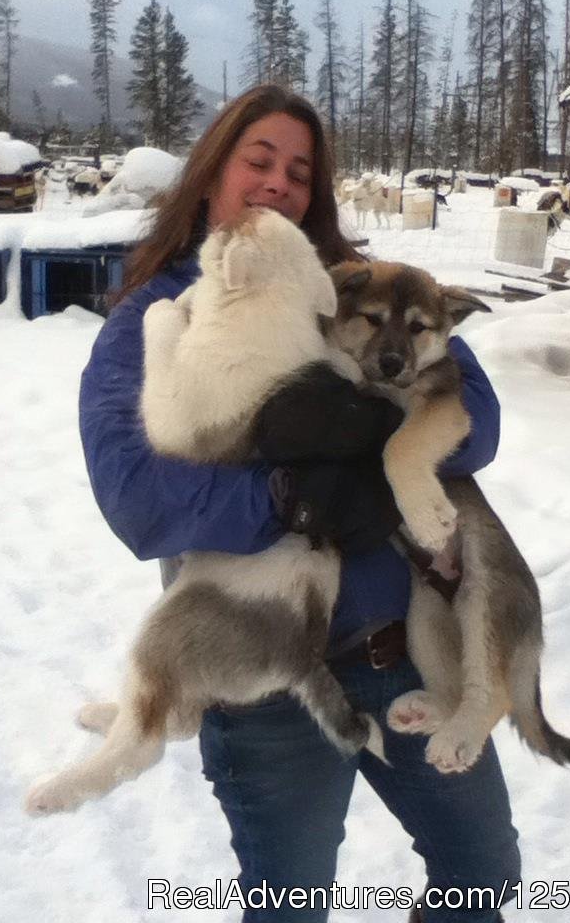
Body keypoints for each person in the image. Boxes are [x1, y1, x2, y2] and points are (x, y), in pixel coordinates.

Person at [79, 85, 521, 922]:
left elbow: (479, 422)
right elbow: (137, 497)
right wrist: (292, 496)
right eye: (260, 160)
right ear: (213, 171)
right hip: (270, 682)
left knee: (483, 879)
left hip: (406, 653)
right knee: (289, 908)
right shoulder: (155, 313)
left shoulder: (349, 286)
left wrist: (375, 454)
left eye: (300, 169)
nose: (280, 181)